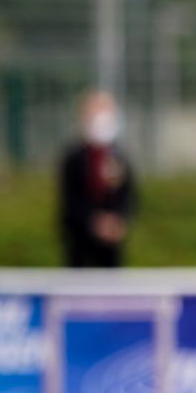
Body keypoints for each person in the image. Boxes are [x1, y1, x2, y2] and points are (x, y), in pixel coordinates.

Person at [57, 89, 136, 268]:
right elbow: (70, 200)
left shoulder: (119, 157)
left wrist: (118, 220)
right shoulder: (73, 158)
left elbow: (129, 195)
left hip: (111, 244)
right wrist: (94, 221)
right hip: (80, 240)